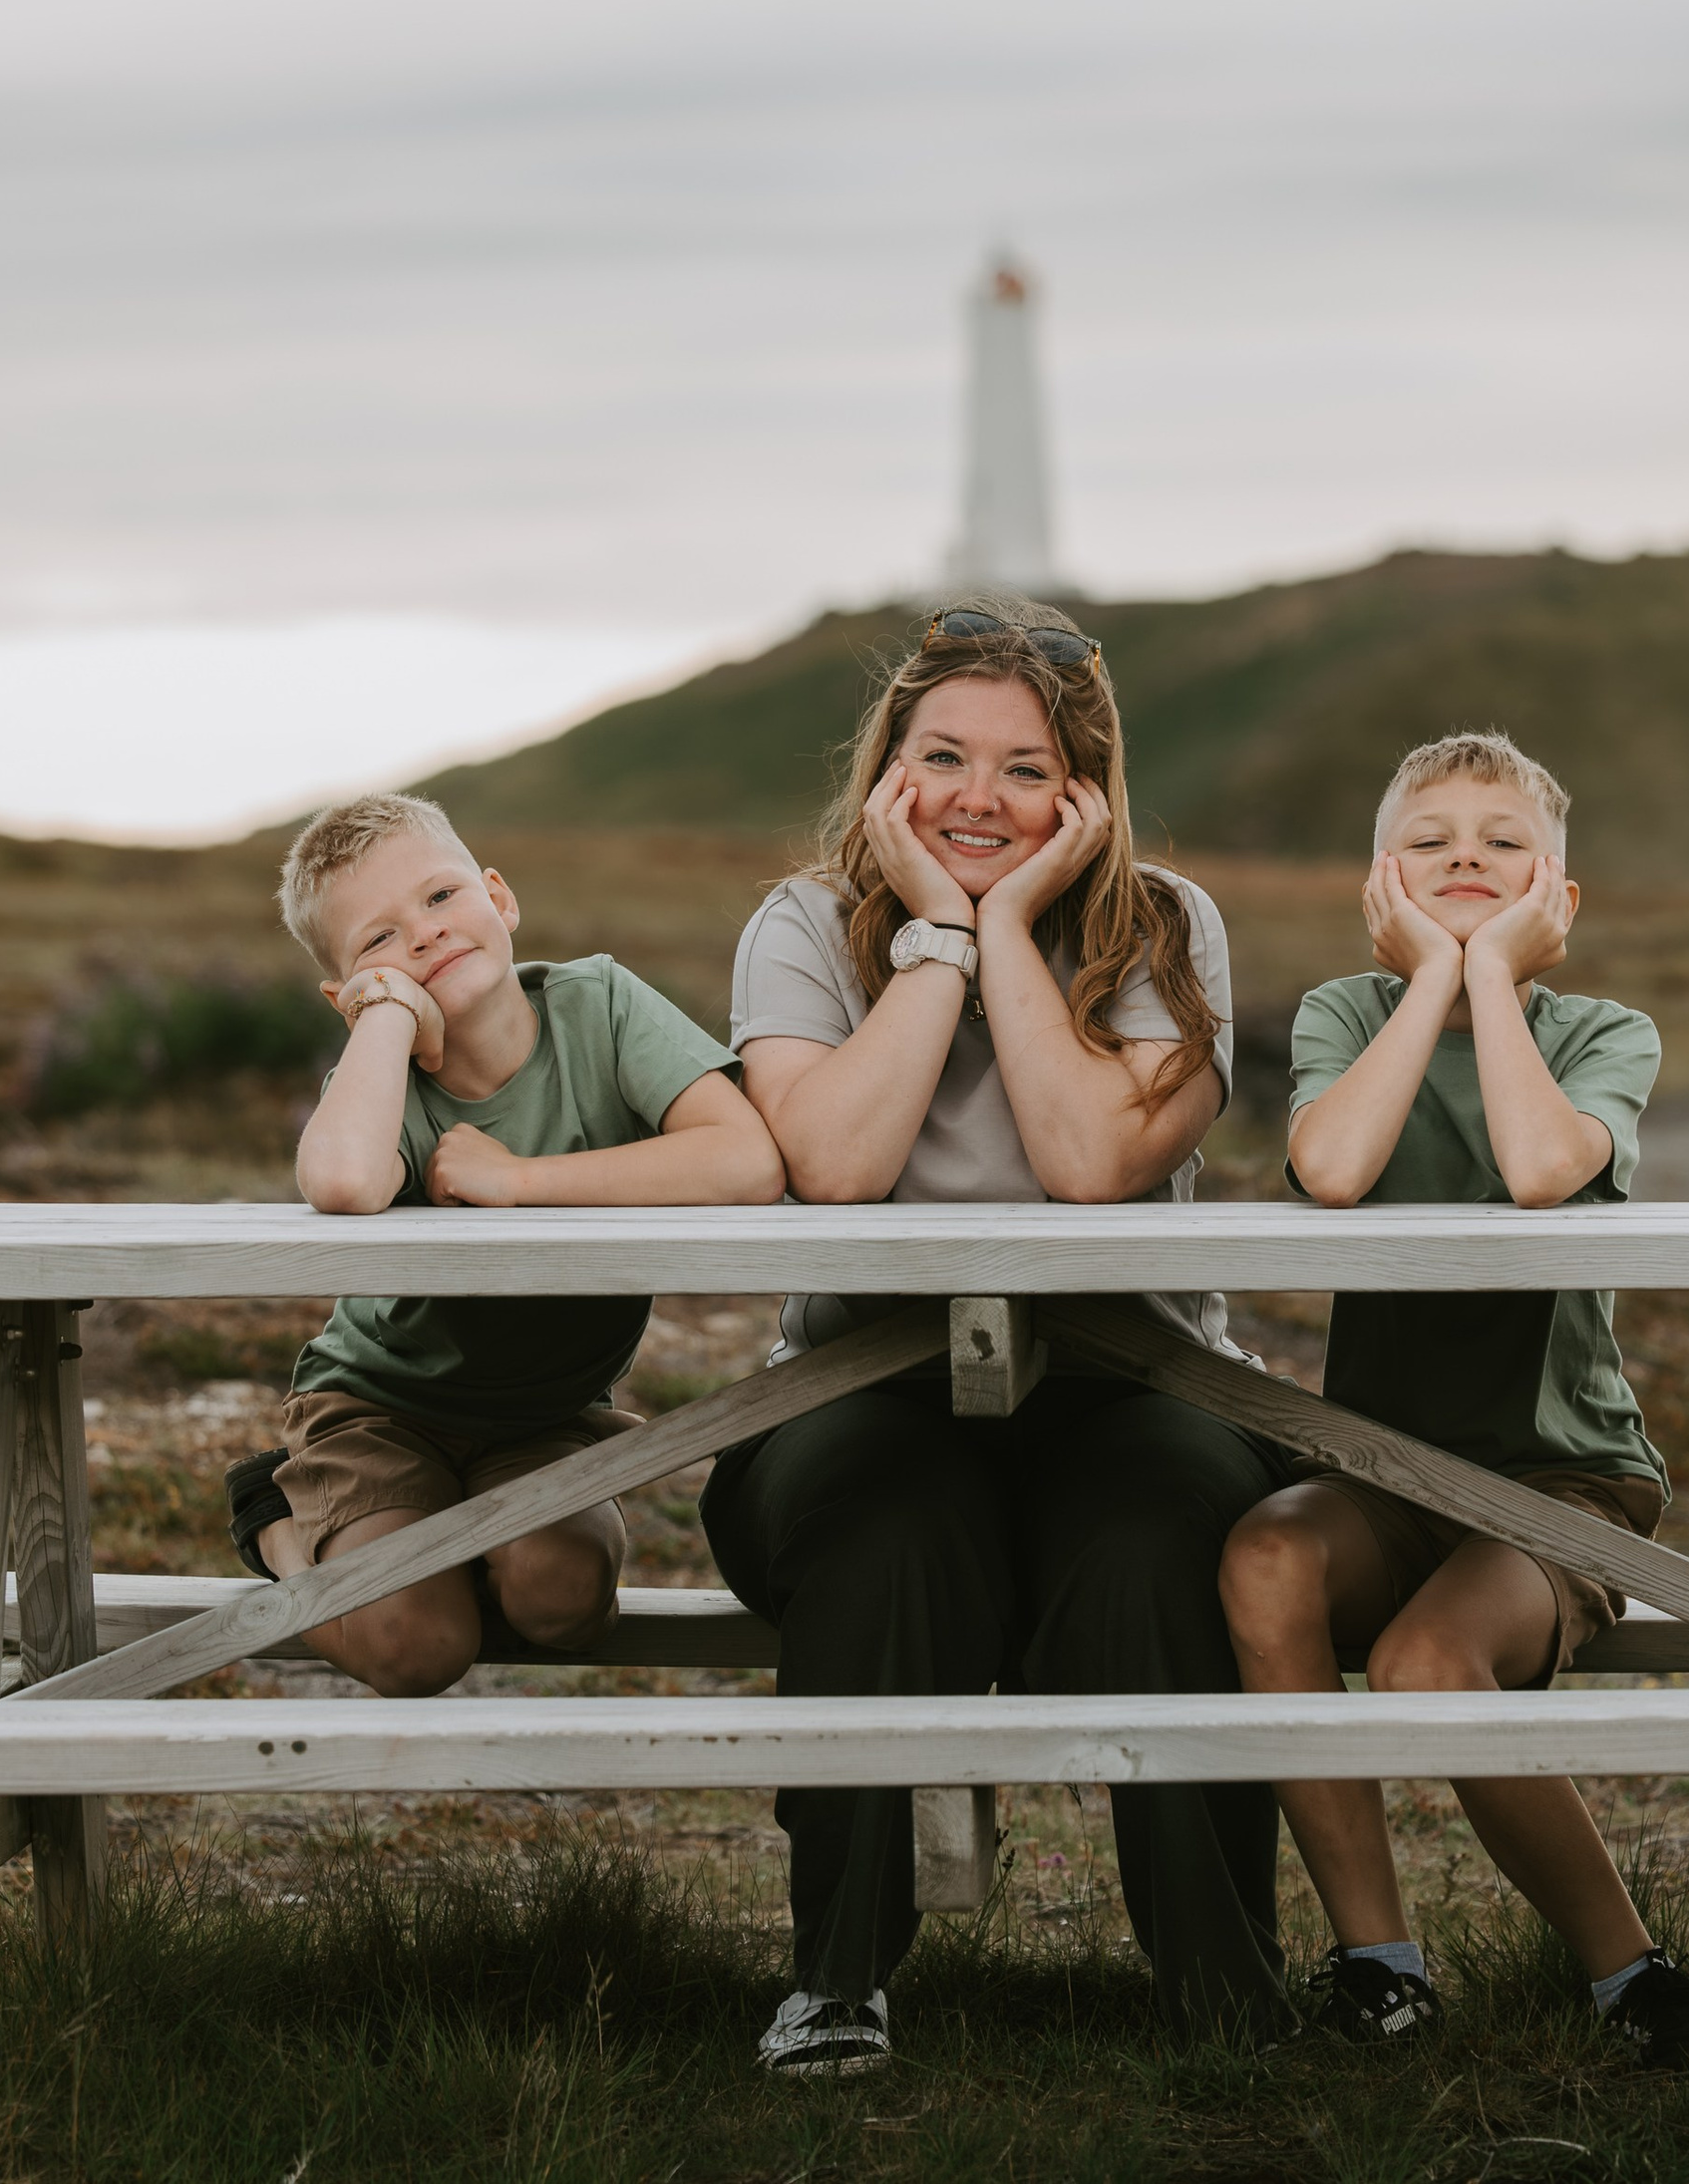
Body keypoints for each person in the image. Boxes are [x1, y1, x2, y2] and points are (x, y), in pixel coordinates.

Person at [701, 598, 1297, 2077]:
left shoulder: (1165, 925)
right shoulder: (802, 927)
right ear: (886, 771)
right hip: (860, 1389)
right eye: (943, 757)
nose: (978, 798)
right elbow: (835, 1165)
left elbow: (1092, 1164)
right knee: (883, 1532)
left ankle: (1225, 1994)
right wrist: (935, 945)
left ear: (1083, 793)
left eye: (1024, 769)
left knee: (1159, 1543)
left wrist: (1013, 925)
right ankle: (836, 1980)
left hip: (1134, 1384)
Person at [1216, 731, 1689, 2068]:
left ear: (1556, 895)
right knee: (1265, 1555)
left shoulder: (1604, 1032)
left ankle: (1630, 1975)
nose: (1467, 858)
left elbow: (1544, 1169)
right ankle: (1379, 1968)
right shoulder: (1344, 1015)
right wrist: (1432, 981)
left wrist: (1487, 975)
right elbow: (1334, 1169)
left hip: (1562, 1480)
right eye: (1432, 840)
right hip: (1384, 1473)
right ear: (1381, 882)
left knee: (1423, 1663)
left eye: (1504, 844)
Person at [221, 790, 783, 1698]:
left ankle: (435, 1546)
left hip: (550, 1413)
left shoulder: (598, 1006)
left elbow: (747, 1160)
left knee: (562, 1600)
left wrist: (520, 1180)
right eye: (379, 940)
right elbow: (344, 1183)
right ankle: (278, 1523)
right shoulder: (380, 1080)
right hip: (380, 1408)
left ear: (500, 898)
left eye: (442, 897)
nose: (425, 935)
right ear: (345, 996)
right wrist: (388, 1015)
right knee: (416, 1646)